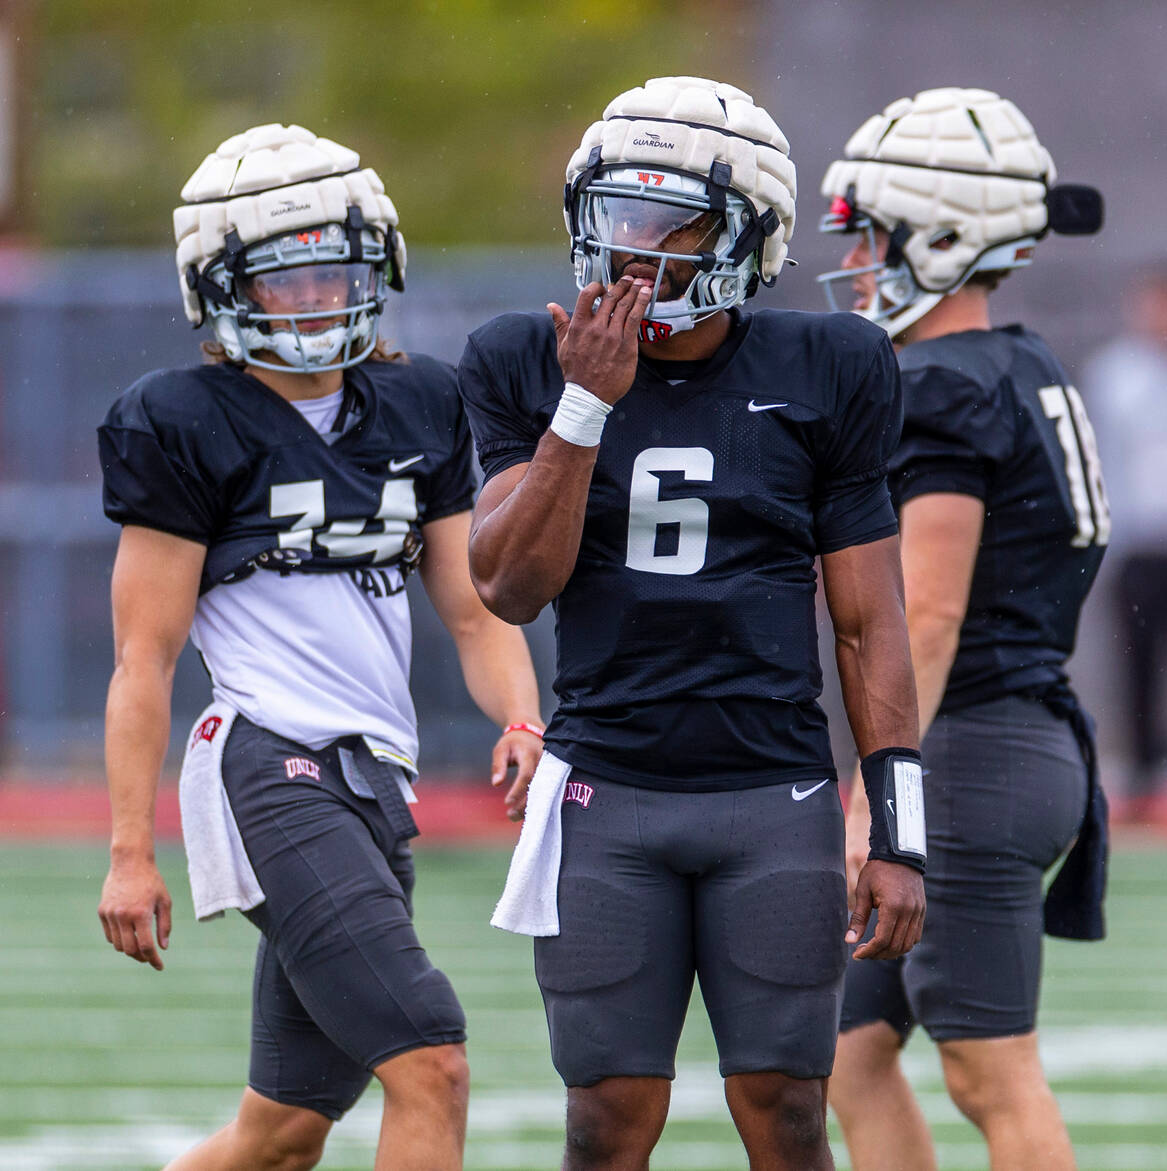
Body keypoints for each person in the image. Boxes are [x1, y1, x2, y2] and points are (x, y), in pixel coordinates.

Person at [457, 76, 927, 1171]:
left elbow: (869, 618)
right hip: (605, 790)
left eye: (675, 224)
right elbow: (509, 586)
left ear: (748, 235)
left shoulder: (834, 364)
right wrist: (584, 406)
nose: (636, 249)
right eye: (619, 214)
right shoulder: (525, 357)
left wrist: (898, 826)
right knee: (604, 1122)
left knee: (789, 1112)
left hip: (775, 791)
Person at [96, 122, 543, 1171]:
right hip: (269, 760)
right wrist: (127, 850)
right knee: (430, 1056)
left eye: (333, 272)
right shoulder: (179, 420)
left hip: (371, 776)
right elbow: (143, 660)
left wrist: (522, 715)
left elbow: (474, 609)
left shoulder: (420, 401)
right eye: (283, 278)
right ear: (219, 286)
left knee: (283, 1131)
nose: (314, 299)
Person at [816, 87, 1109, 1170]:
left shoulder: (940, 384)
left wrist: (872, 797)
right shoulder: (1020, 362)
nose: (852, 258)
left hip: (971, 750)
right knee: (847, 1052)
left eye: (869, 235)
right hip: (1006, 736)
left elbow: (927, 613)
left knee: (992, 1070)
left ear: (941, 236)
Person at [1083, 267, 1167, 814]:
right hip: (1142, 547)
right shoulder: (1114, 374)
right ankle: (1146, 779)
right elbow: (1102, 463)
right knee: (1139, 669)